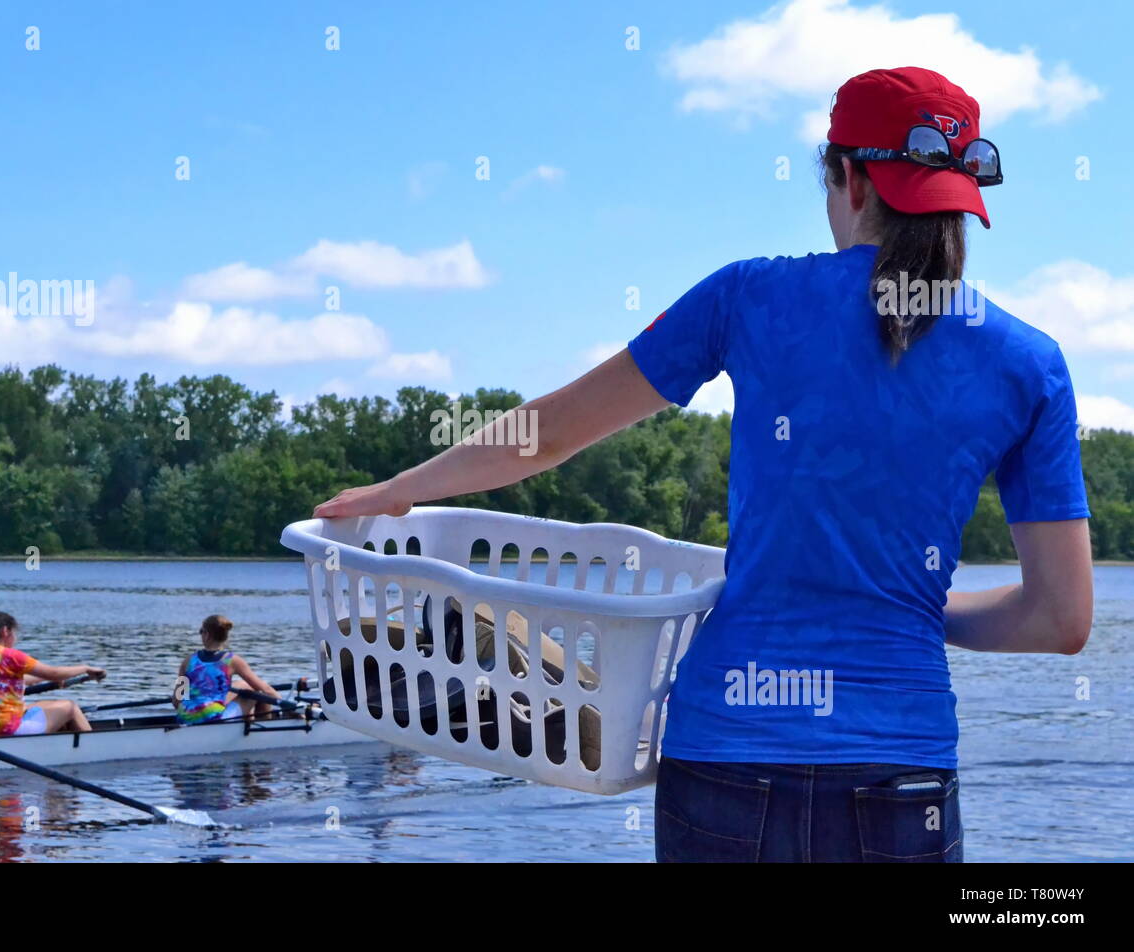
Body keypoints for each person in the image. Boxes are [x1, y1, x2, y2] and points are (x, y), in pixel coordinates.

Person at [312, 66, 1093, 863]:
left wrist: (398, 491)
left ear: (851, 179)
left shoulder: (748, 297)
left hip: (727, 759)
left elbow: (546, 435)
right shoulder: (1031, 364)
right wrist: (919, 609)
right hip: (900, 773)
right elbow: (1061, 620)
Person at [0, 608, 106, 739]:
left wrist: (43, 679)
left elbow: (12, 680)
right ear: (5, 631)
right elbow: (54, 673)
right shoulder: (9, 655)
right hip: (7, 731)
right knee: (70, 707)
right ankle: (93, 746)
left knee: (38, 705)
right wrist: (85, 668)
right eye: (15, 633)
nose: (15, 638)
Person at [173, 614, 281, 724]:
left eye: (201, 631)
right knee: (256, 693)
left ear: (207, 635)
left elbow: (177, 700)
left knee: (243, 686)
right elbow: (266, 689)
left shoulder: (188, 661)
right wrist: (288, 706)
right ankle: (262, 730)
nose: (201, 635)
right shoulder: (232, 660)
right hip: (214, 719)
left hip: (185, 717)